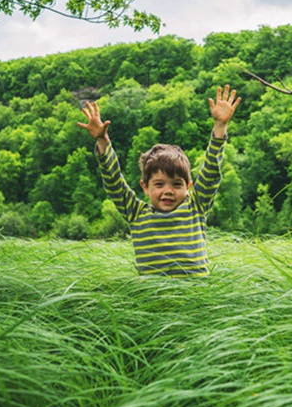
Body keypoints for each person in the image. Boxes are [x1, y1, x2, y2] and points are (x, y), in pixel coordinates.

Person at [77, 85, 241, 277]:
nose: (168, 191)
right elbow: (114, 182)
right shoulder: (137, 213)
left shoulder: (195, 206)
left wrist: (220, 127)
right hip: (152, 303)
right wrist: (102, 142)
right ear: (145, 187)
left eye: (176, 184)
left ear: (188, 186)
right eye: (159, 184)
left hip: (197, 301)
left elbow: (211, 170)